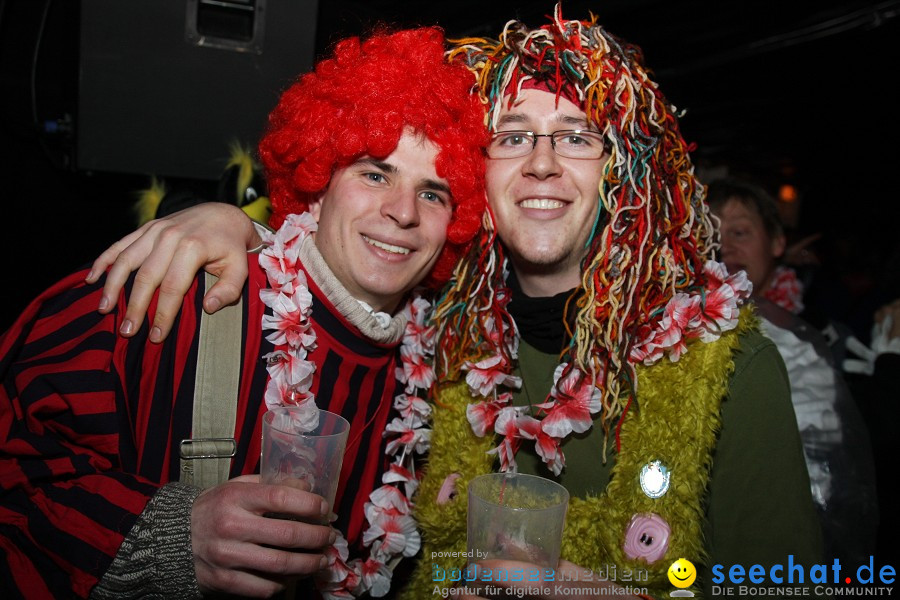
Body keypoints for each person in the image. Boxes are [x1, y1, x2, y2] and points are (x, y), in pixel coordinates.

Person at [86, 9, 824, 599]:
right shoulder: (430, 343)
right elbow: (341, 251)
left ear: (624, 172)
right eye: (514, 136)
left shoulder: (732, 369)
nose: (541, 160)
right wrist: (243, 226)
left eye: (575, 136)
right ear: (480, 172)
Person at [0, 28, 488, 599]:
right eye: (374, 173)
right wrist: (165, 539)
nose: (402, 212)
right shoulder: (172, 291)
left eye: (433, 193)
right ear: (317, 181)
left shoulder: (440, 380)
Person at [708, 177, 877, 567]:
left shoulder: (811, 339)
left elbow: (824, 480)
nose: (724, 246)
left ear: (777, 244)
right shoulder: (676, 328)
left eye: (739, 232)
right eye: (710, 233)